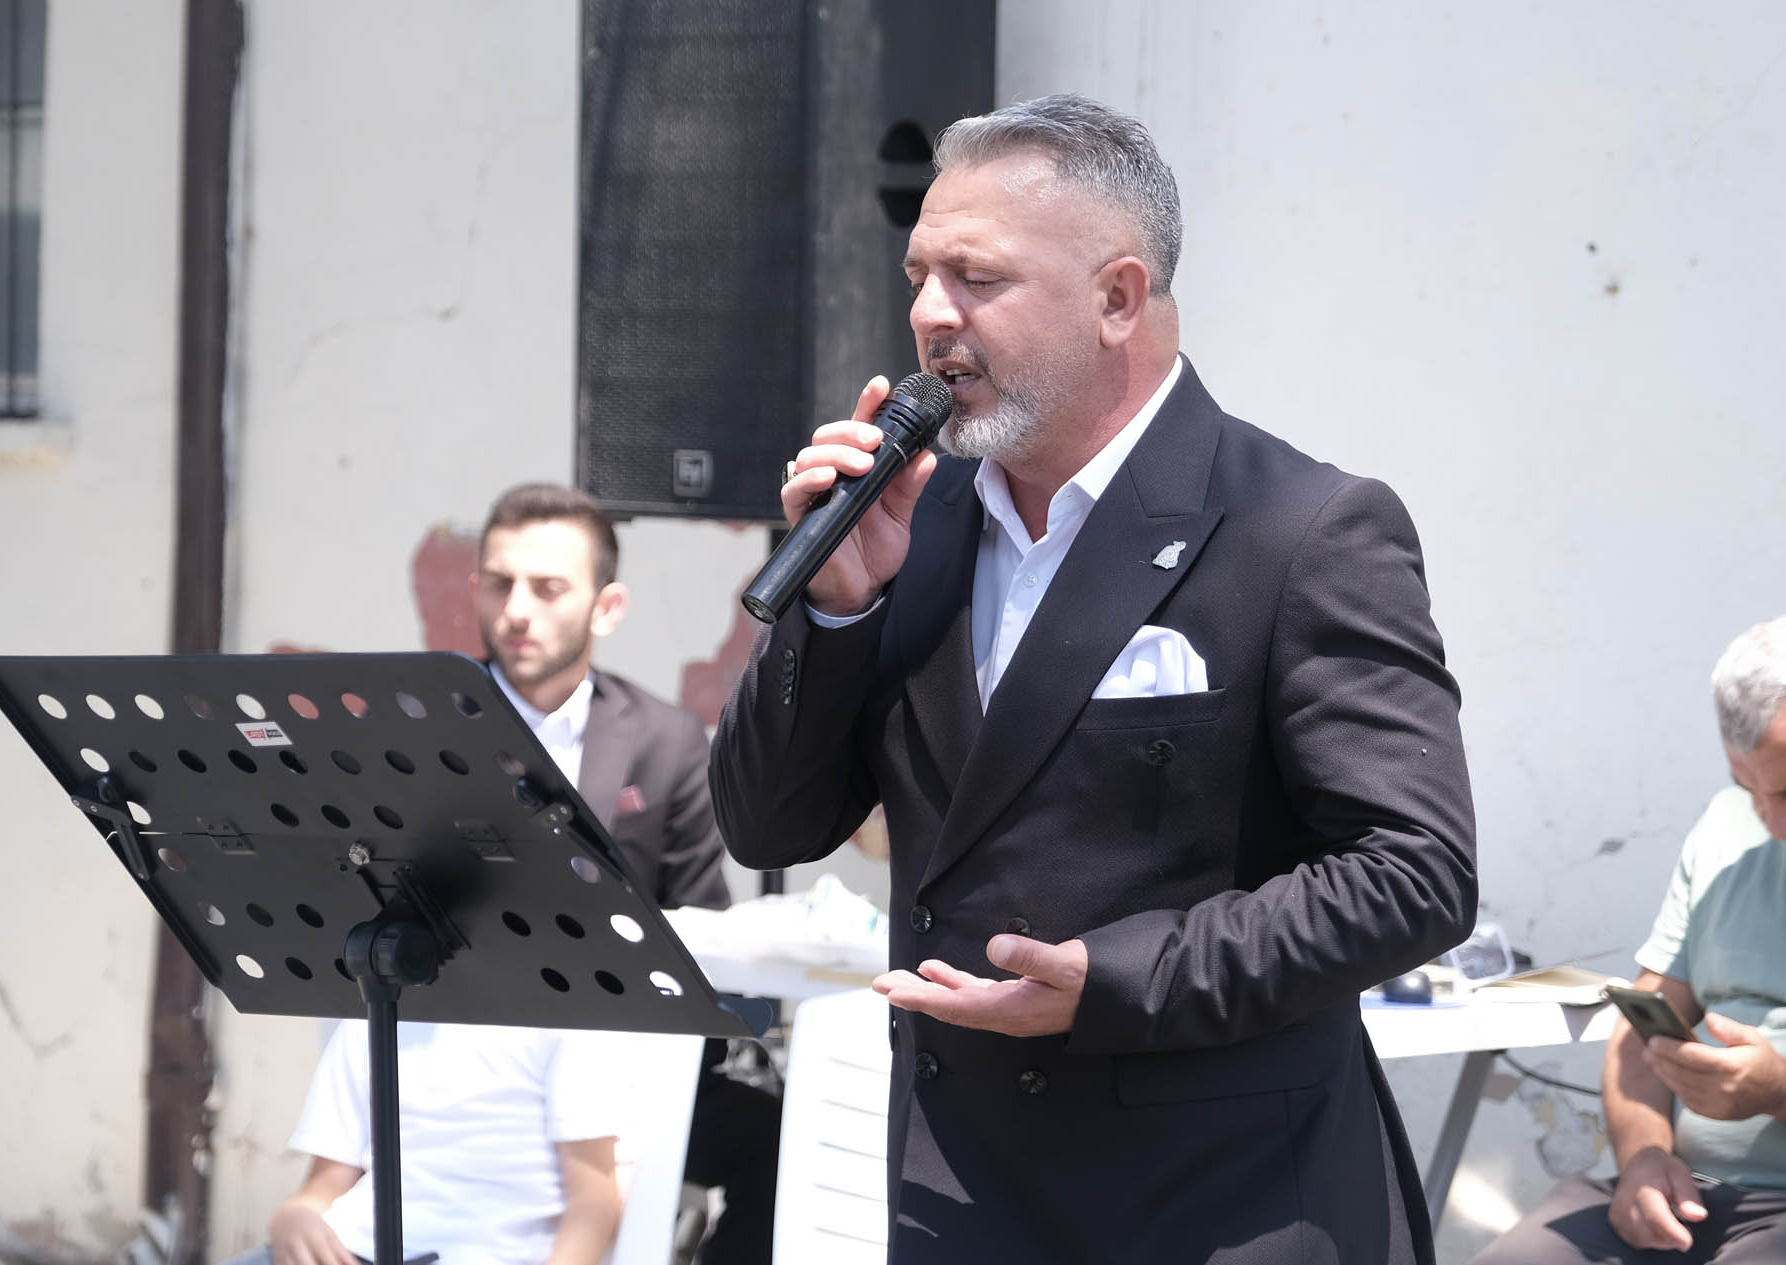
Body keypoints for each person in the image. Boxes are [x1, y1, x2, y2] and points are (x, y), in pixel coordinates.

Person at [710, 94, 1477, 1263]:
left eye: (976, 277)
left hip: (1218, 1204)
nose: (928, 314)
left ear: (1116, 297)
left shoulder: (1299, 527)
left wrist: (1111, 979)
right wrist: (836, 606)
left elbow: (1411, 873)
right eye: (919, 275)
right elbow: (768, 823)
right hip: (958, 1194)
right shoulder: (912, 521)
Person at [1470, 615, 1786, 1264]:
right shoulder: (1726, 829)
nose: (1775, 823)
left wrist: (1785, 1090)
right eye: (1749, 789)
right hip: (1685, 1196)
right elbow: (1641, 1035)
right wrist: (1644, 1156)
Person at [472, 483, 778, 1265]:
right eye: (501, 583)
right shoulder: (425, 716)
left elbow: (699, 925)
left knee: (771, 1137)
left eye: (547, 588)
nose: (517, 610)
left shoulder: (666, 738)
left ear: (607, 607)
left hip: (621, 1060)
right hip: (464, 1053)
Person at [243, 1021, 639, 1265]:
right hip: (347, 1249)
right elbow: (323, 1187)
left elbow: (595, 1202)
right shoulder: (367, 1015)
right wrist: (292, 1217)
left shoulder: (564, 1022)